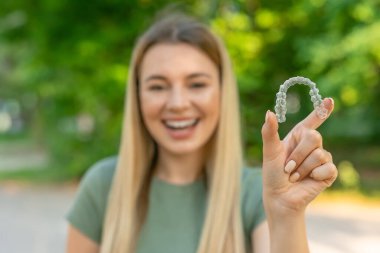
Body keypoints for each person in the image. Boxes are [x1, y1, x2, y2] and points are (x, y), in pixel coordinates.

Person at [66, 13, 337, 253]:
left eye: (196, 84)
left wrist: (286, 214)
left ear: (222, 92)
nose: (178, 103)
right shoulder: (103, 186)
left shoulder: (257, 192)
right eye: (158, 86)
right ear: (137, 97)